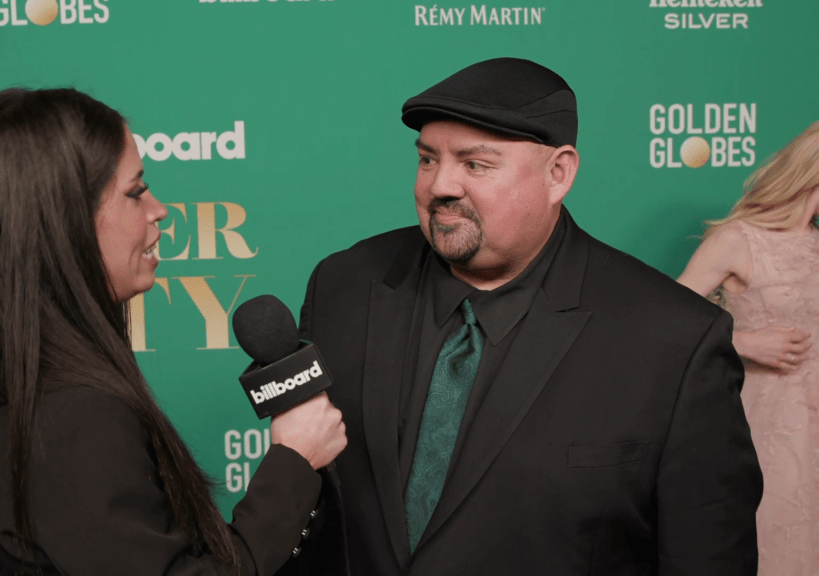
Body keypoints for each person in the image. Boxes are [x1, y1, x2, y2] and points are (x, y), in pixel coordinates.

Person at [286, 58, 763, 575]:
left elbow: (709, 558)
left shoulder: (674, 338)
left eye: (475, 164)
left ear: (558, 173)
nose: (440, 186)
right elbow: (308, 508)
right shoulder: (343, 287)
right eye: (427, 160)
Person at [0, 87, 347, 576]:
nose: (158, 210)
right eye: (134, 192)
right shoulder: (70, 416)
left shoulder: (29, 391)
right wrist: (292, 461)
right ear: (62, 221)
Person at [677, 121, 819, 576]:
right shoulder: (739, 239)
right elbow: (662, 325)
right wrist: (742, 342)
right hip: (767, 422)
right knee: (773, 542)